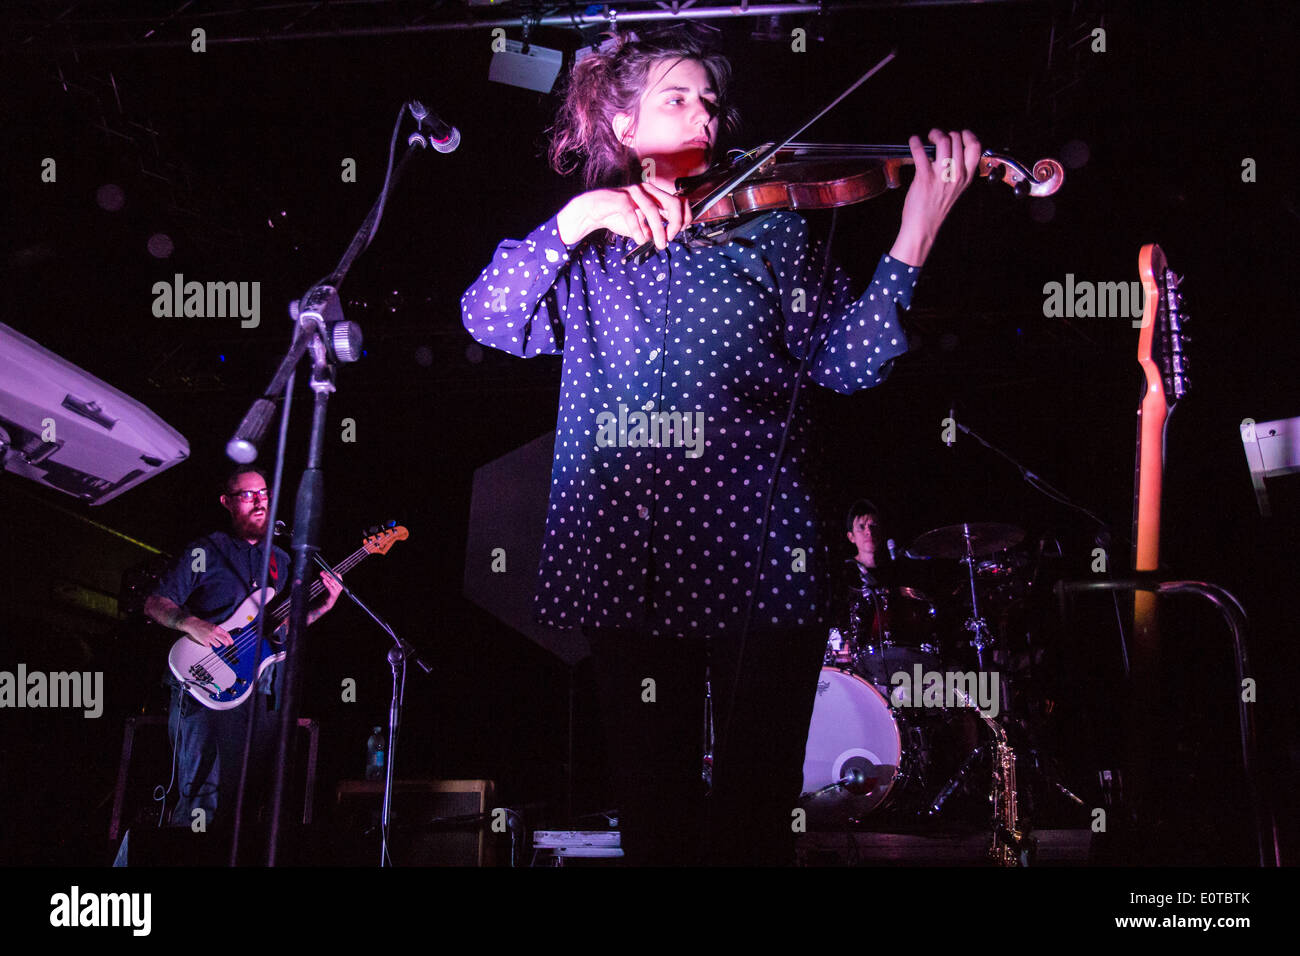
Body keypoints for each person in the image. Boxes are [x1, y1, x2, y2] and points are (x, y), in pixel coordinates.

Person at [461, 25, 979, 864]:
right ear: (623, 127)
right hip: (623, 558)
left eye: (708, 99)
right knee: (653, 810)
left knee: (753, 819)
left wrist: (915, 231)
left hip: (761, 554)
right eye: (676, 98)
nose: (703, 113)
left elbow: (847, 366)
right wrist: (579, 214)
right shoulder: (585, 251)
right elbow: (489, 318)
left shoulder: (770, 231)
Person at [144, 465, 342, 827]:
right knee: (203, 793)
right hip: (203, 681)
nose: (259, 502)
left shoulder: (281, 561)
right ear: (227, 502)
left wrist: (321, 608)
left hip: (258, 691)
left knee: (249, 799)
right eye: (248, 495)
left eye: (264, 493)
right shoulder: (206, 550)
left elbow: (279, 630)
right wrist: (190, 623)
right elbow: (156, 602)